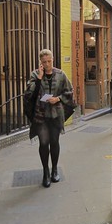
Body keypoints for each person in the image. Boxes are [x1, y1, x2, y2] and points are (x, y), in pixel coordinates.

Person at [24, 49, 75, 188]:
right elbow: (30, 94)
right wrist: (40, 78)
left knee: (54, 142)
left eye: (49, 61)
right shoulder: (35, 75)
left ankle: (54, 170)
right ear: (40, 62)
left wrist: (58, 98)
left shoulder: (60, 74)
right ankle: (45, 172)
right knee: (44, 143)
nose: (47, 64)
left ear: (53, 59)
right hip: (40, 115)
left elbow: (69, 92)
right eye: (44, 62)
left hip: (55, 114)